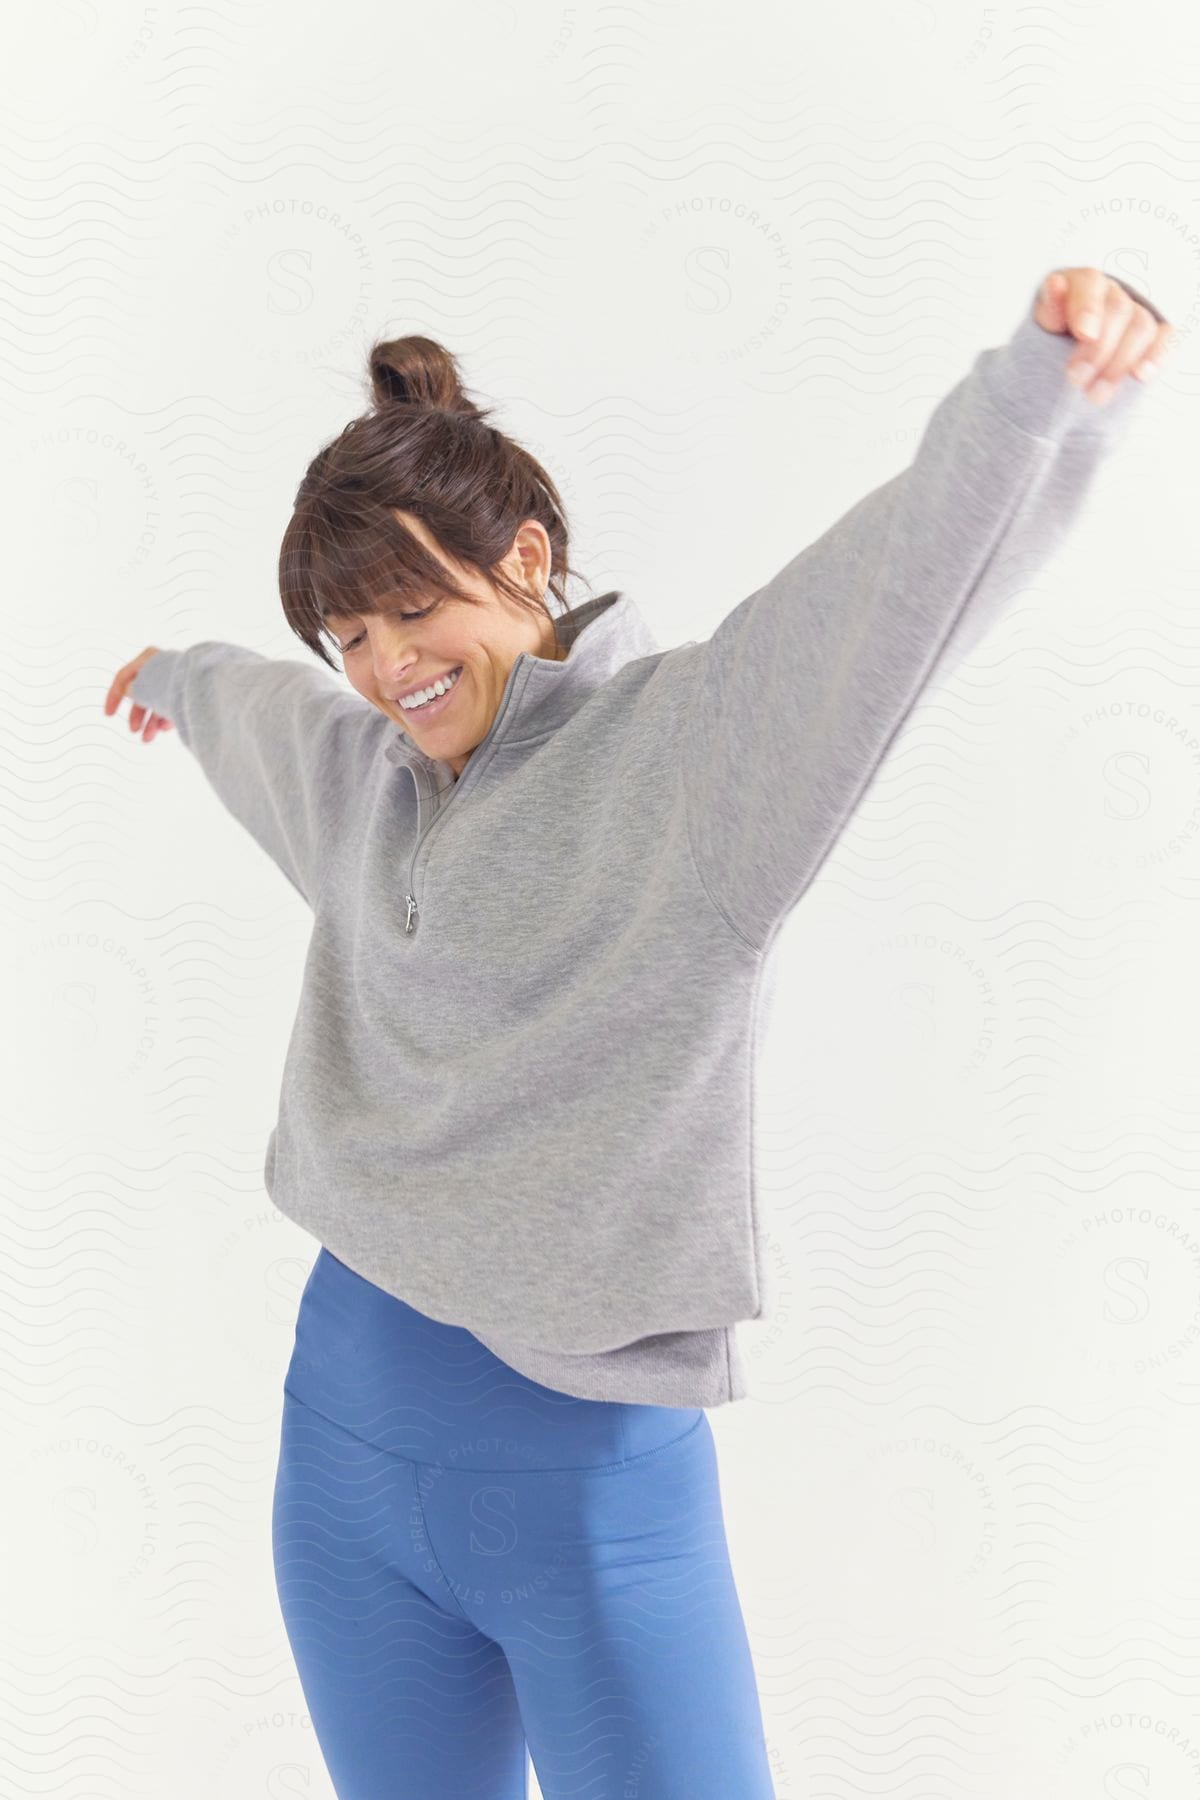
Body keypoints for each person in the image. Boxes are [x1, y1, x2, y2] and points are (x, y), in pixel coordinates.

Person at [104, 268, 1170, 1800]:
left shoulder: (694, 762)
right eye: (351, 634)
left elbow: (890, 603)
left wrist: (1043, 390)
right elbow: (268, 715)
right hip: (337, 1463)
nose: (384, 665)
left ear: (526, 560)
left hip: (589, 1498)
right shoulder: (364, 778)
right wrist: (174, 679)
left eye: (416, 609)